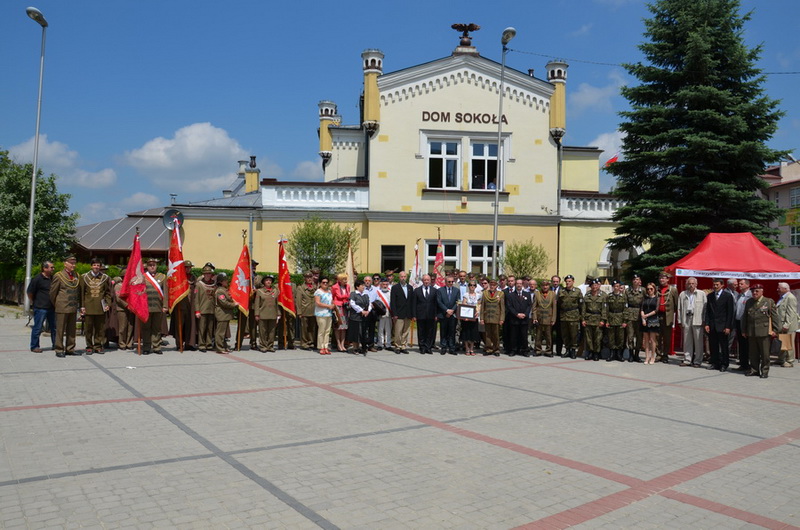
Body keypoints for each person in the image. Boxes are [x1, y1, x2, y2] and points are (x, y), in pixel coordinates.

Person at [741, 284, 777, 378]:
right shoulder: (749, 302)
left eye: (757, 291)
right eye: (753, 291)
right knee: (753, 353)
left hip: (764, 331)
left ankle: (764, 371)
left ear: (762, 291)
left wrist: (776, 330)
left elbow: (775, 317)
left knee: (765, 354)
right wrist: (743, 330)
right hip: (751, 331)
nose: (754, 293)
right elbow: (745, 317)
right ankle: (754, 370)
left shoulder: (768, 301)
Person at [50, 255, 81, 358]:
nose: (73, 265)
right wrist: (57, 304)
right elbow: (53, 293)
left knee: (71, 330)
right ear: (65, 264)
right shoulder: (59, 276)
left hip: (72, 307)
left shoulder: (77, 275)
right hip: (62, 307)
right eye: (71, 263)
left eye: (74, 263)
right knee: (60, 329)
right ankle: (59, 349)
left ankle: (70, 348)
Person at [80, 258, 112, 354]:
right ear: (91, 266)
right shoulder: (84, 277)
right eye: (94, 265)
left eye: (98, 265)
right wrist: (82, 306)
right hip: (88, 306)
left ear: (100, 267)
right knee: (88, 328)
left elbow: (108, 293)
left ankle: (98, 345)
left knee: (100, 328)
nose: (96, 267)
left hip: (100, 306)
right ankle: (89, 346)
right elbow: (81, 293)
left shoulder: (105, 278)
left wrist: (108, 304)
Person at [704, 278, 735, 372]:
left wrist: (728, 326)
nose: (715, 286)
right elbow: (708, 311)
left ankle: (724, 364)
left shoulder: (728, 296)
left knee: (724, 346)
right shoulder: (710, 296)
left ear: (722, 285)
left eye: (717, 285)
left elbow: (730, 313)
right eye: (714, 285)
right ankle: (715, 363)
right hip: (712, 325)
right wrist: (707, 323)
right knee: (713, 345)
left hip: (723, 325)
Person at [677, 277, 707, 367]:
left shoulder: (701, 294)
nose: (691, 285)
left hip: (697, 319)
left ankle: (698, 360)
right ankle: (687, 359)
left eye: (693, 283)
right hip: (686, 318)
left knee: (698, 341)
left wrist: (704, 320)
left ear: (696, 284)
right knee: (687, 340)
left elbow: (705, 308)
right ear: (687, 284)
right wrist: (679, 320)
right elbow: (679, 308)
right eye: (689, 283)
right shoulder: (683, 294)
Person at [27, 260, 56, 353]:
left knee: (54, 328)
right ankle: (34, 346)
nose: (53, 269)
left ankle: (56, 345)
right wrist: (34, 302)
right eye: (51, 267)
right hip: (40, 308)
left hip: (52, 307)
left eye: (53, 267)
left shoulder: (53, 278)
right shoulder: (37, 279)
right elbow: (30, 292)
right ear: (44, 268)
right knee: (38, 328)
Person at [141, 258, 168, 354]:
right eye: (150, 265)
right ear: (147, 267)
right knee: (146, 328)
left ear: (156, 266)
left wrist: (165, 306)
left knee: (156, 328)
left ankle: (156, 347)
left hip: (158, 306)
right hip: (146, 307)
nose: (152, 267)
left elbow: (165, 292)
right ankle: (146, 347)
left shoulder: (162, 277)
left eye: (154, 265)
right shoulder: (143, 277)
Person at [169, 261, 197, 351]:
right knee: (179, 325)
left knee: (189, 325)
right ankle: (179, 344)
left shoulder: (193, 277)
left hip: (190, 305)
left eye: (189, 267)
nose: (188, 269)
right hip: (180, 305)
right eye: (186, 267)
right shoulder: (179, 278)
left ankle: (188, 343)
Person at [582, 279, 607, 361]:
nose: (594, 287)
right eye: (593, 285)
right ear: (591, 286)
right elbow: (583, 308)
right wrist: (583, 319)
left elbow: (604, 309)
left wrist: (603, 320)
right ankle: (590, 352)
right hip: (588, 318)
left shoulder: (602, 296)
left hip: (598, 319)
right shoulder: (587, 295)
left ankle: (596, 353)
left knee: (598, 338)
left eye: (596, 285)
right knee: (589, 338)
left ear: (598, 286)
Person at [506, 278, 532, 357]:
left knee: (524, 336)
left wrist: (525, 314)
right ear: (515, 284)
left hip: (524, 319)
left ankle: (524, 350)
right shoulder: (510, 295)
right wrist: (517, 314)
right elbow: (509, 306)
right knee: (513, 336)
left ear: (522, 284)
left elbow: (529, 305)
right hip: (514, 319)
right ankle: (513, 350)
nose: (519, 285)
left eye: (520, 284)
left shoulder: (527, 294)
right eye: (517, 283)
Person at [559, 275, 583, 359]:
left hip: (573, 316)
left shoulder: (577, 291)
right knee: (565, 334)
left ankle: (573, 350)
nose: (568, 283)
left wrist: (581, 316)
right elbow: (559, 303)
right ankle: (567, 349)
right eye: (566, 281)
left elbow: (581, 304)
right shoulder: (562, 291)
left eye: (569, 281)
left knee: (574, 334)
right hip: (564, 315)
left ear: (573, 282)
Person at [656, 272, 679, 363]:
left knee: (666, 337)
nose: (661, 280)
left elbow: (676, 304)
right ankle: (658, 354)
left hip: (667, 316)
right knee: (658, 336)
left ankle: (665, 354)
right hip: (657, 315)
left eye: (663, 278)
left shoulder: (672, 290)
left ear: (667, 279)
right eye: (660, 278)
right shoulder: (657, 289)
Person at [412, 274, 437, 354]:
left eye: (428, 280)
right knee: (421, 331)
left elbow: (436, 304)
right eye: (425, 280)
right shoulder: (417, 290)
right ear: (422, 281)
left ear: (430, 281)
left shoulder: (434, 290)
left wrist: (436, 315)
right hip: (420, 314)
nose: (426, 281)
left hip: (431, 314)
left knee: (430, 332)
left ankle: (428, 347)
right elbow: (414, 303)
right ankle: (422, 347)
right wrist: (414, 315)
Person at [194, 263, 217, 352]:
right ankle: (201, 345)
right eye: (206, 273)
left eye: (209, 273)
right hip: (202, 309)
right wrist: (197, 311)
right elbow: (196, 299)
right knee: (202, 328)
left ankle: (208, 344)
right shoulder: (199, 284)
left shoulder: (213, 284)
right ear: (203, 274)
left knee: (210, 328)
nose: (208, 275)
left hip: (211, 309)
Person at [254, 275, 279, 352]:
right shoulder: (259, 291)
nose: (268, 282)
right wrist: (257, 314)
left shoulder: (275, 291)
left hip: (273, 314)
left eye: (270, 280)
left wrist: (278, 314)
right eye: (267, 280)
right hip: (263, 314)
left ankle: (270, 346)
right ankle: (263, 346)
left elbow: (277, 303)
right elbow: (257, 304)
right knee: (263, 331)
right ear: (264, 282)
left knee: (272, 332)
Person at [390, 270, 413, 353]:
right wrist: (394, 314)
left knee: (406, 331)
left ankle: (403, 346)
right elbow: (393, 302)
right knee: (398, 331)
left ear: (406, 277)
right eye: (401, 277)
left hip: (408, 313)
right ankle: (397, 346)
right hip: (399, 313)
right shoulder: (395, 288)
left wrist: (412, 313)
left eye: (404, 276)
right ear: (399, 278)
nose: (403, 278)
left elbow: (412, 301)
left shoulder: (410, 287)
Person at [480, 278, 505, 356]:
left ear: (496, 286)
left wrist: (501, 319)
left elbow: (502, 308)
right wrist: (482, 318)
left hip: (496, 317)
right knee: (487, 334)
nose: (492, 286)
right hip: (487, 317)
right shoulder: (485, 293)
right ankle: (488, 348)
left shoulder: (500, 294)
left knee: (496, 334)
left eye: (494, 285)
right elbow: (482, 307)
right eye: (491, 285)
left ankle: (496, 349)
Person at [775, 282, 798, 368]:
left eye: (779, 288)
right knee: (783, 342)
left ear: (785, 289)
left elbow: (791, 312)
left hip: (788, 325)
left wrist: (787, 324)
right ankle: (781, 359)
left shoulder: (790, 297)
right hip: (781, 324)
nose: (777, 289)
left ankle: (790, 361)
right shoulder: (783, 297)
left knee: (789, 342)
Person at [436, 275, 460, 355]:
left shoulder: (456, 290)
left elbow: (458, 301)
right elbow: (439, 302)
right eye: (449, 281)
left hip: (453, 315)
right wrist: (446, 310)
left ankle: (452, 348)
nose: (451, 283)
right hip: (443, 314)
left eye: (452, 281)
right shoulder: (440, 290)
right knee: (443, 331)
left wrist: (452, 310)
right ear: (445, 282)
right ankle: (443, 347)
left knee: (452, 332)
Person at [347, 279, 371, 355]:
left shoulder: (365, 294)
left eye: (364, 285)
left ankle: (361, 347)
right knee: (355, 333)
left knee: (363, 332)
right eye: (362, 285)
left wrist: (368, 311)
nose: (363, 287)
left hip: (364, 316)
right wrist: (361, 311)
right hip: (355, 316)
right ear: (357, 287)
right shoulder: (353, 294)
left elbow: (369, 303)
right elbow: (352, 304)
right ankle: (355, 348)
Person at [295, 271, 318, 350]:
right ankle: (304, 343)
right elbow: (298, 301)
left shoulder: (315, 287)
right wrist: (299, 312)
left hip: (314, 310)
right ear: (304, 279)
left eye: (310, 277)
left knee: (312, 328)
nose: (309, 279)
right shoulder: (300, 288)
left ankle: (311, 342)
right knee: (304, 328)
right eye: (307, 277)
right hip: (304, 310)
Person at [214, 273, 236, 353]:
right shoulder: (220, 291)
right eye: (225, 280)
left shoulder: (224, 290)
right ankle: (219, 348)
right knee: (220, 332)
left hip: (225, 314)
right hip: (222, 314)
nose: (227, 281)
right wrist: (234, 304)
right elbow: (224, 303)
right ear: (221, 282)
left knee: (224, 333)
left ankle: (224, 346)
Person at [733, 278, 752, 372]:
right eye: (739, 284)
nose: (739, 285)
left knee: (747, 344)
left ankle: (749, 364)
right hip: (738, 321)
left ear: (747, 285)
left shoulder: (750, 295)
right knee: (741, 344)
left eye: (741, 284)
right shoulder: (739, 295)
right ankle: (743, 363)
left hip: (746, 322)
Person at [624, 274, 645, 362]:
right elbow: (625, 304)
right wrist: (625, 317)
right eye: (634, 279)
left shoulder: (643, 290)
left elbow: (645, 303)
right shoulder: (627, 291)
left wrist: (644, 316)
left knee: (639, 336)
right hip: (630, 315)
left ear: (640, 281)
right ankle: (631, 354)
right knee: (630, 336)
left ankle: (637, 354)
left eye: (637, 279)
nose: (636, 281)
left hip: (640, 315)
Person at [605, 280, 627, 362]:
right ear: (612, 287)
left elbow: (626, 309)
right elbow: (606, 309)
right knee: (611, 337)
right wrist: (607, 321)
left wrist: (625, 321)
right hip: (611, 318)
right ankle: (612, 354)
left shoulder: (623, 296)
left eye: (618, 286)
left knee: (620, 337)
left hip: (620, 318)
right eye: (615, 286)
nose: (616, 288)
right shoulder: (609, 296)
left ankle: (619, 354)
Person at [533, 279, 556, 356]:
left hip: (549, 318)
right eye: (543, 285)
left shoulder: (552, 294)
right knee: (538, 335)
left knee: (548, 336)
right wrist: (534, 317)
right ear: (541, 286)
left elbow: (554, 308)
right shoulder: (537, 294)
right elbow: (534, 307)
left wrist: (553, 319)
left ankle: (548, 351)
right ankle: (538, 350)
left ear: (549, 286)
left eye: (546, 285)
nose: (545, 287)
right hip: (539, 318)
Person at [114, 268, 135, 350]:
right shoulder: (118, 286)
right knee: (122, 327)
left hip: (132, 308)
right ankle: (122, 343)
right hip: (122, 309)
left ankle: (129, 343)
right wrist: (127, 305)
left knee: (130, 327)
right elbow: (118, 298)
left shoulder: (132, 286)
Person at [640, 282, 660, 365]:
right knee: (646, 340)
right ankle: (647, 357)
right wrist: (643, 318)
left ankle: (652, 357)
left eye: (651, 289)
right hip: (644, 320)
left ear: (654, 289)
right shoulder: (645, 298)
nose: (649, 290)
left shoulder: (657, 298)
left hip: (653, 319)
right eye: (648, 289)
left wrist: (647, 315)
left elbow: (656, 310)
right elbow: (642, 309)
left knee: (652, 340)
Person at [314, 277, 334, 355]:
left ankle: (326, 346)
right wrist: (328, 306)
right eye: (323, 282)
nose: (325, 284)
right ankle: (321, 347)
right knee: (321, 331)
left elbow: (331, 301)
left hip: (329, 314)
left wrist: (332, 305)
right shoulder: (318, 292)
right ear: (320, 283)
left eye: (326, 282)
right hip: (321, 313)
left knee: (327, 331)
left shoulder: (329, 291)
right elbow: (318, 303)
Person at [331, 273, 350, 352]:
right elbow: (332, 297)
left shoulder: (348, 286)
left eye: (346, 279)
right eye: (344, 279)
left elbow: (348, 296)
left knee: (344, 327)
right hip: (338, 307)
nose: (346, 281)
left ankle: (342, 344)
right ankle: (338, 344)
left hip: (345, 307)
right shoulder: (334, 287)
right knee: (338, 326)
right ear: (340, 280)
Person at [460, 281, 480, 355]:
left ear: (476, 286)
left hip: (474, 317)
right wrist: (465, 316)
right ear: (468, 286)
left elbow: (479, 305)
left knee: (473, 333)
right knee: (466, 333)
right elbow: (464, 305)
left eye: (474, 285)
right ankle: (467, 349)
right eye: (470, 285)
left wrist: (477, 312)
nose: (472, 286)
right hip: (467, 317)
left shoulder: (478, 295)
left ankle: (471, 348)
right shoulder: (466, 295)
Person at [375, 278, 393, 350]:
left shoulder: (391, 292)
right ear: (381, 285)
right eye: (383, 284)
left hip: (389, 313)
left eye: (386, 284)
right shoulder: (377, 292)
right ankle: (380, 344)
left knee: (388, 330)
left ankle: (388, 344)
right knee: (380, 329)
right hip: (381, 314)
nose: (385, 286)